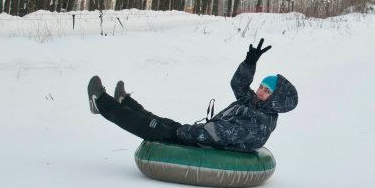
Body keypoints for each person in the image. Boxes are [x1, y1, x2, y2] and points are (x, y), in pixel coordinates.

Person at [87, 39, 298, 152]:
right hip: (205, 135)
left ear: (275, 99)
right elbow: (239, 86)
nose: (260, 91)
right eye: (261, 86)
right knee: (162, 121)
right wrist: (249, 63)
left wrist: (188, 133)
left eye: (266, 91)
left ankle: (102, 104)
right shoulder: (257, 104)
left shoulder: (260, 122)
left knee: (155, 127)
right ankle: (126, 102)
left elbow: (222, 133)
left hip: (208, 143)